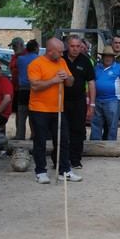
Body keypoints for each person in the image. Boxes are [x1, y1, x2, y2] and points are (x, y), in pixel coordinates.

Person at [28, 37, 82, 184]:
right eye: (59, 51)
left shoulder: (62, 62)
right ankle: (41, 171)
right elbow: (35, 86)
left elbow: (70, 83)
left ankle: (64, 170)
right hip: (39, 109)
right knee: (40, 141)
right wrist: (53, 81)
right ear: (50, 51)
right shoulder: (36, 64)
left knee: (63, 140)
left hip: (58, 108)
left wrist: (66, 78)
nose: (61, 54)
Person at [63, 35, 96, 169]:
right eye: (73, 46)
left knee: (78, 130)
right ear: (67, 46)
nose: (75, 49)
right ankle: (60, 159)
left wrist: (92, 104)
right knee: (62, 130)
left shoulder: (85, 61)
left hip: (79, 101)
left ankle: (75, 159)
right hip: (62, 101)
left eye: (78, 46)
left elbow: (91, 82)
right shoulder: (61, 59)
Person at [90, 46, 120, 140]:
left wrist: (119, 95)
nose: (108, 58)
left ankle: (110, 147)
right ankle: (95, 145)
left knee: (112, 125)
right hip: (97, 99)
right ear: (102, 57)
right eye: (105, 56)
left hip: (112, 100)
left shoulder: (119, 68)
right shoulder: (96, 68)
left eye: (110, 56)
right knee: (96, 123)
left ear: (113, 58)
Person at [15, 39, 39, 140]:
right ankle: (34, 135)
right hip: (35, 89)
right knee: (34, 114)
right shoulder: (39, 59)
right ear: (36, 48)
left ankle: (20, 136)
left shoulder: (20, 59)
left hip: (22, 89)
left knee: (21, 115)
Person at [9, 37, 25, 139]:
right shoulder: (15, 56)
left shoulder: (25, 56)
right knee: (18, 113)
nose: (13, 48)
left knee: (22, 112)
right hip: (15, 88)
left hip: (23, 88)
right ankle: (19, 134)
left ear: (20, 45)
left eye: (15, 46)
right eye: (13, 46)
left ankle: (28, 135)